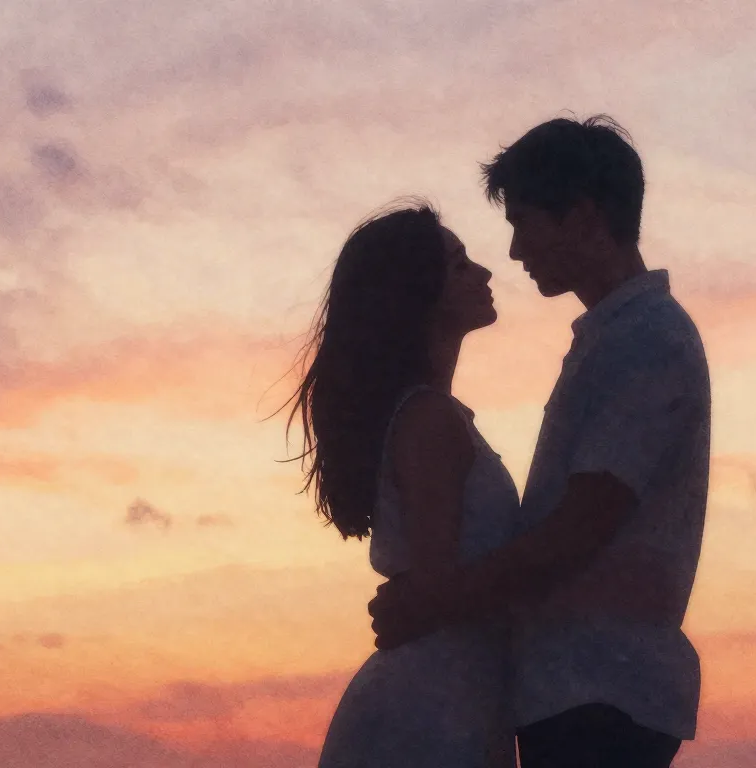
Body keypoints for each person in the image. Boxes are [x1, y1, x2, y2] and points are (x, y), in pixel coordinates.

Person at [367, 115, 712, 768]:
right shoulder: (614, 338)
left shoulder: (645, 340)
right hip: (576, 687)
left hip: (600, 687)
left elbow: (583, 524)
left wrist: (434, 602)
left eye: (524, 222)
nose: (515, 250)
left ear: (582, 216)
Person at [284, 200, 523, 767]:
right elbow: (439, 586)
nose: (484, 272)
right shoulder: (428, 420)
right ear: (420, 292)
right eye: (460, 265)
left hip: (450, 692)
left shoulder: (430, 416)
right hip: (433, 704)